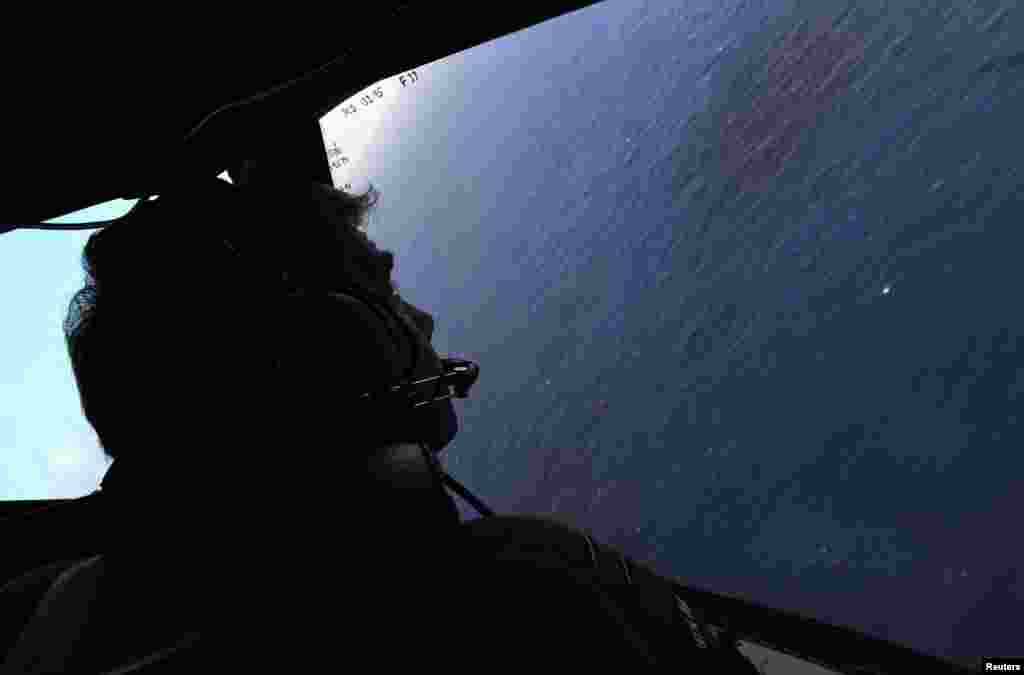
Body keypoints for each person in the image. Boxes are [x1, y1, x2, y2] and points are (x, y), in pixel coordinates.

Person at [2, 168, 759, 673]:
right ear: (332, 348)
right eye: (381, 287)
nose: (420, 317)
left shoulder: (55, 620)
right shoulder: (527, 596)